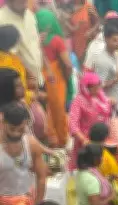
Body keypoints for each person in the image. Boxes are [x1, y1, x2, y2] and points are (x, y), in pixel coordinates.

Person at [0, 102, 47, 205]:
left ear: (26, 124)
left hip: (27, 203)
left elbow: (41, 177)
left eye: (20, 130)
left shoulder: (31, 144)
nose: (16, 133)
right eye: (12, 129)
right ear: (3, 123)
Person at [35, 9, 71, 148]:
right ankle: (61, 140)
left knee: (45, 108)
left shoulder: (34, 41)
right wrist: (66, 78)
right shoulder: (56, 40)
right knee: (58, 109)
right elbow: (67, 63)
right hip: (55, 77)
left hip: (39, 76)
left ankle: (49, 139)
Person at [68, 75, 114, 171]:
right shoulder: (79, 101)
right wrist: (84, 140)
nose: (97, 88)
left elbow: (107, 115)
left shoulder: (102, 97)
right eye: (94, 86)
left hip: (102, 138)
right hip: (85, 140)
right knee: (85, 167)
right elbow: (73, 124)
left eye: (98, 85)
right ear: (86, 87)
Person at [85, 23, 118, 120]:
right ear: (106, 39)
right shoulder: (102, 60)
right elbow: (98, 86)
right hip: (108, 105)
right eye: (114, 41)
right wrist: (117, 78)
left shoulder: (115, 53)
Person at [0, 0, 41, 88]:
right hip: (21, 87)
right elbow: (9, 56)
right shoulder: (1, 19)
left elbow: (36, 43)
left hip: (39, 78)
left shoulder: (30, 15)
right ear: (9, 2)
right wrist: (29, 77)